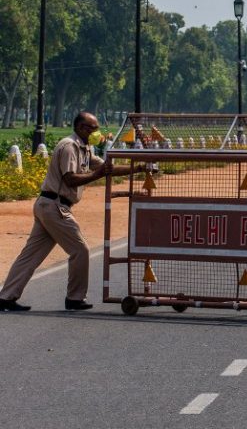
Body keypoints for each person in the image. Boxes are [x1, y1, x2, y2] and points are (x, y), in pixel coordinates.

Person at [0, 112, 145, 312]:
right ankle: (75, 298)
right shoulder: (69, 146)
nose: (96, 132)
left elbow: (105, 168)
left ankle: (6, 297)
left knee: (31, 255)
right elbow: (70, 179)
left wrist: (137, 168)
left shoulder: (84, 148)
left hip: (49, 204)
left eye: (96, 128)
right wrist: (97, 175)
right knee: (80, 249)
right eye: (91, 128)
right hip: (55, 205)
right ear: (80, 128)